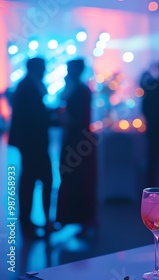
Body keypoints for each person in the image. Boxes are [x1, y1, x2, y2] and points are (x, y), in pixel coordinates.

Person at [8, 57, 53, 239]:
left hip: (29, 144)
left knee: (29, 180)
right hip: (33, 144)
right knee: (40, 180)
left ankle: (28, 222)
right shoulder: (30, 87)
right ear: (38, 68)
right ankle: (35, 223)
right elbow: (34, 117)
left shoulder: (27, 84)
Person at [56, 58, 97, 236]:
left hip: (76, 139)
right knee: (75, 177)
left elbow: (75, 118)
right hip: (78, 139)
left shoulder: (79, 90)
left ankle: (76, 218)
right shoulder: (80, 89)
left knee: (76, 177)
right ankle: (76, 219)